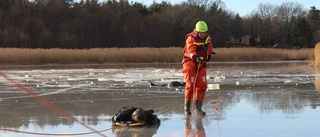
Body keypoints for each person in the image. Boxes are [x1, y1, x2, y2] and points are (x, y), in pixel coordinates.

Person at [181, 21, 213, 116]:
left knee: (202, 85)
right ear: (197, 31)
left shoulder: (207, 38)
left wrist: (209, 54)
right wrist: (195, 56)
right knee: (190, 85)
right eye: (201, 32)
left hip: (201, 64)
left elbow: (209, 48)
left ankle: (198, 108)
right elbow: (190, 50)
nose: (203, 34)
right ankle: (187, 107)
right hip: (190, 63)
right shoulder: (191, 38)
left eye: (204, 32)